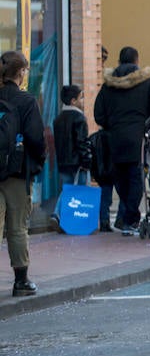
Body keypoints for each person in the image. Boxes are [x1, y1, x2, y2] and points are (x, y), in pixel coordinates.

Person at [94, 46, 150, 235]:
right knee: (135, 179)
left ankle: (126, 217)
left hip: (113, 139)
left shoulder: (109, 85)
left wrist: (111, 125)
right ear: (136, 61)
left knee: (120, 178)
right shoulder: (146, 82)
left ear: (118, 61)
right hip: (136, 138)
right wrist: (147, 126)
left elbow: (98, 114)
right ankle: (130, 218)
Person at [1, 51, 46, 296]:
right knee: (17, 227)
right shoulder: (26, 101)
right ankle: (21, 281)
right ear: (20, 72)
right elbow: (36, 139)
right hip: (17, 173)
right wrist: (37, 163)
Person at [54, 85, 91, 191]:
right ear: (73, 101)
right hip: (79, 165)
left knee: (68, 194)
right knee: (81, 195)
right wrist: (87, 161)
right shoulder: (79, 118)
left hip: (63, 165)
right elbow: (82, 142)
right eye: (81, 98)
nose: (83, 101)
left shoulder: (58, 119)